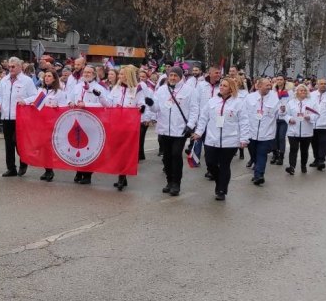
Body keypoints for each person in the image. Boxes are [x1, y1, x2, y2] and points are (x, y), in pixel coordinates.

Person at [193, 78, 250, 200]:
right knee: (210, 163)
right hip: (211, 139)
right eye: (221, 85)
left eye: (225, 85)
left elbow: (244, 121)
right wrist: (198, 132)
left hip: (230, 140)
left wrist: (244, 139)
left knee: (224, 165)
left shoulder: (238, 103)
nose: (222, 87)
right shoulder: (212, 101)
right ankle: (220, 182)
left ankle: (221, 190)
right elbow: (203, 118)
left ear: (231, 88)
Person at [147, 66, 198, 196]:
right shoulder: (162, 90)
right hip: (164, 129)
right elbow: (156, 108)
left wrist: (191, 125)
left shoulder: (189, 90)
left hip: (179, 130)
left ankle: (176, 184)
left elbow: (194, 109)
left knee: (176, 155)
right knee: (167, 157)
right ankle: (169, 181)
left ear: (180, 77)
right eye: (171, 75)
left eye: (175, 76)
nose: (173, 78)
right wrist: (151, 104)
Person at [106, 65, 152, 191]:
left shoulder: (137, 88)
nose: (120, 76)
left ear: (129, 75)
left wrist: (142, 108)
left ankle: (122, 176)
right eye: (119, 74)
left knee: (125, 151)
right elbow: (108, 102)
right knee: (116, 150)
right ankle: (122, 175)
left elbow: (141, 103)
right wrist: (100, 97)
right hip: (116, 123)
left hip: (129, 125)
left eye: (122, 74)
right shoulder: (116, 88)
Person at [0, 57, 37, 177]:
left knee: (19, 143)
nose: (11, 69)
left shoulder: (27, 81)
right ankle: (11, 168)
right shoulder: (4, 80)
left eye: (13, 67)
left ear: (20, 67)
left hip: (20, 117)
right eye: (9, 67)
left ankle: (23, 162)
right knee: (8, 144)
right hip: (6, 116)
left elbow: (35, 96)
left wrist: (25, 101)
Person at [24, 69, 68, 182]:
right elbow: (36, 102)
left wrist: (55, 108)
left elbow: (64, 108)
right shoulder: (42, 90)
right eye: (45, 76)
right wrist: (25, 102)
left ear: (54, 79)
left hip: (53, 123)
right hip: (41, 123)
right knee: (43, 147)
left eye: (49, 76)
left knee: (48, 148)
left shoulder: (59, 92)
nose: (47, 78)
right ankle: (47, 169)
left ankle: (50, 170)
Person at [70, 64, 109, 185]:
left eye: (89, 72)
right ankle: (79, 171)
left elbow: (105, 105)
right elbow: (69, 97)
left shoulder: (99, 88)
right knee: (77, 147)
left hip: (92, 123)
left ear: (94, 75)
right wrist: (71, 102)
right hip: (77, 121)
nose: (86, 74)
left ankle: (87, 174)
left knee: (89, 149)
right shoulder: (77, 87)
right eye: (85, 72)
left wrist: (86, 105)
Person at [244, 78, 279, 185]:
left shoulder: (274, 98)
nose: (269, 87)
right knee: (254, 154)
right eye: (266, 85)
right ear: (258, 86)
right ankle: (257, 170)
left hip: (266, 133)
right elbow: (243, 115)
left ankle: (259, 175)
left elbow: (279, 113)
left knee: (262, 154)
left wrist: (284, 112)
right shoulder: (249, 98)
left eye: (270, 85)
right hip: (251, 132)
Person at [284, 84, 316, 175]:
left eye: (304, 90)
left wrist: (309, 117)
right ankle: (292, 167)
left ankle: (303, 165)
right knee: (293, 149)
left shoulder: (311, 103)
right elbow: (286, 114)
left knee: (304, 150)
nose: (303, 92)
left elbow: (317, 114)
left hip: (306, 131)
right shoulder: (291, 103)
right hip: (293, 131)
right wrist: (289, 119)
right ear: (296, 92)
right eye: (301, 90)